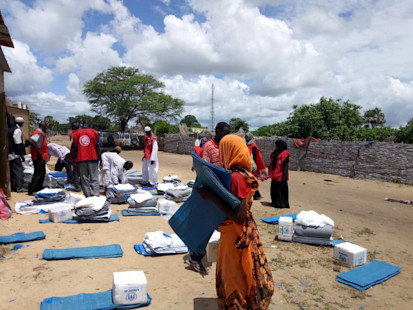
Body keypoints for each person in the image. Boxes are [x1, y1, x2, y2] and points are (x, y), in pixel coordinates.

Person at [198, 134, 274, 309]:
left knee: (234, 277)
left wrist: (211, 197)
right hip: (234, 232)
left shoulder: (236, 178)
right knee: (238, 273)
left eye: (222, 149)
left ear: (229, 151)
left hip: (235, 234)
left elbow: (239, 215)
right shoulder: (242, 173)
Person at [188, 122, 230, 274]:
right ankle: (196, 255)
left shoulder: (226, 146)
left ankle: (222, 255)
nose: (226, 136)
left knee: (225, 225)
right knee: (207, 225)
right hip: (212, 191)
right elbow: (205, 170)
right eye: (224, 133)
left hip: (224, 190)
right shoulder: (209, 147)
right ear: (217, 132)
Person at [71, 119, 102, 197]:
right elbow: (98, 147)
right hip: (93, 158)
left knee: (84, 179)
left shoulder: (77, 133)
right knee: (94, 178)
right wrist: (100, 159)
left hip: (81, 158)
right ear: (89, 124)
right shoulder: (95, 133)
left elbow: (74, 148)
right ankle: (96, 195)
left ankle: (87, 196)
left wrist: (74, 160)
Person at [245, 132, 267, 200]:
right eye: (245, 137)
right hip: (248, 165)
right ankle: (254, 194)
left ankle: (255, 194)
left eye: (247, 137)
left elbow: (257, 157)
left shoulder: (253, 146)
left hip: (252, 166)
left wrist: (258, 166)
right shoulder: (246, 145)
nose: (246, 138)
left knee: (252, 180)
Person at [27, 121, 48, 195]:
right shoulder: (38, 133)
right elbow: (30, 140)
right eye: (46, 126)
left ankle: (39, 187)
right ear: (43, 126)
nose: (46, 128)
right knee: (38, 173)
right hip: (38, 156)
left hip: (41, 156)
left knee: (42, 172)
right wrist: (39, 152)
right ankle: (32, 189)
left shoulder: (40, 133)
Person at [268, 139, 290, 208]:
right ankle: (275, 202)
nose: (275, 146)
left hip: (280, 174)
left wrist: (284, 175)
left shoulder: (284, 153)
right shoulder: (275, 153)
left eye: (276, 145)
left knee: (281, 190)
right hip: (275, 173)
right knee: (274, 189)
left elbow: (285, 165)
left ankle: (281, 204)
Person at [8, 116, 26, 192]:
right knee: (18, 170)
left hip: (9, 154)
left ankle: (12, 187)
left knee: (12, 172)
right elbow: (18, 143)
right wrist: (21, 155)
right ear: (21, 123)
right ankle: (19, 187)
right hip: (14, 154)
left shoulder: (9, 129)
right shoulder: (17, 130)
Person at [69, 123, 81, 192]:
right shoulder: (81, 133)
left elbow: (73, 147)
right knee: (83, 171)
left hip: (76, 155)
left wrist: (72, 158)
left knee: (76, 171)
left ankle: (77, 187)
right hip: (83, 155)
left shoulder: (73, 134)